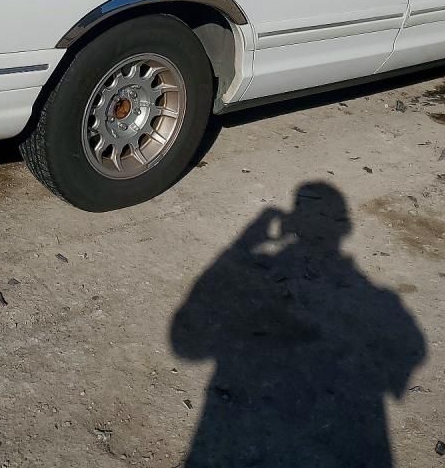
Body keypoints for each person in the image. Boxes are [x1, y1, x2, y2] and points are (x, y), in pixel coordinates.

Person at [170, 181, 426, 467]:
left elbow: (186, 345)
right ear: (345, 228)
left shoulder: (376, 301)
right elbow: (408, 357)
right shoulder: (380, 301)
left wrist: (243, 244)